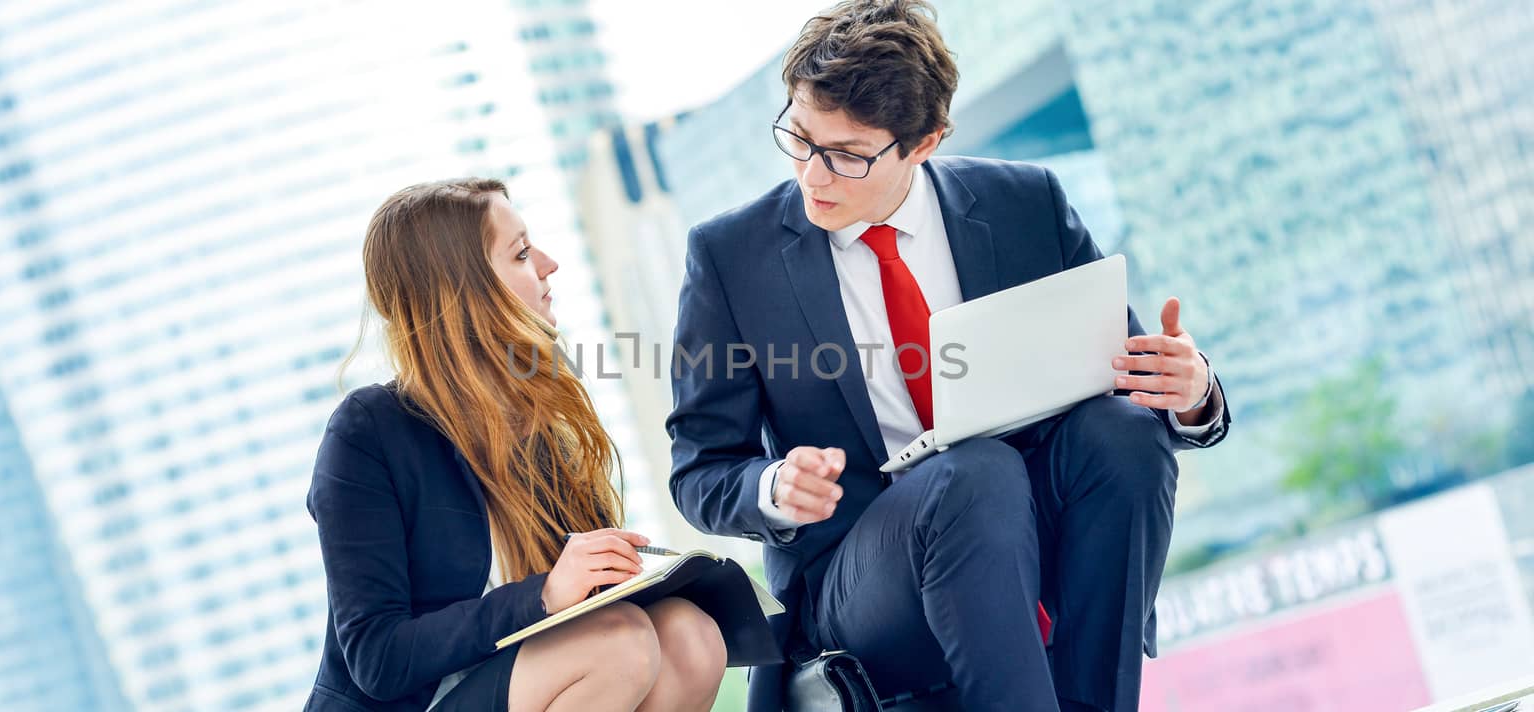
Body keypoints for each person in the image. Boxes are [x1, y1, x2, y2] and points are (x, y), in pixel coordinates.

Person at [665, 3, 1232, 711]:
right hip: (863, 575)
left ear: (924, 142)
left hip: (1033, 531)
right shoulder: (731, 258)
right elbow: (699, 471)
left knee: (1124, 433)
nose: (814, 175)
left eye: (847, 155)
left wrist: (1192, 391)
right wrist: (775, 488)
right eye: (800, 138)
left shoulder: (1024, 204)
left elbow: (1128, 380)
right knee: (975, 470)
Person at [305, 178, 727, 712]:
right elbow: (377, 659)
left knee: (691, 636)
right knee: (619, 644)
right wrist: (546, 594)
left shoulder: (539, 414)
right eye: (522, 253)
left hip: (530, 682)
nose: (550, 264)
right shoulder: (368, 431)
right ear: (463, 290)